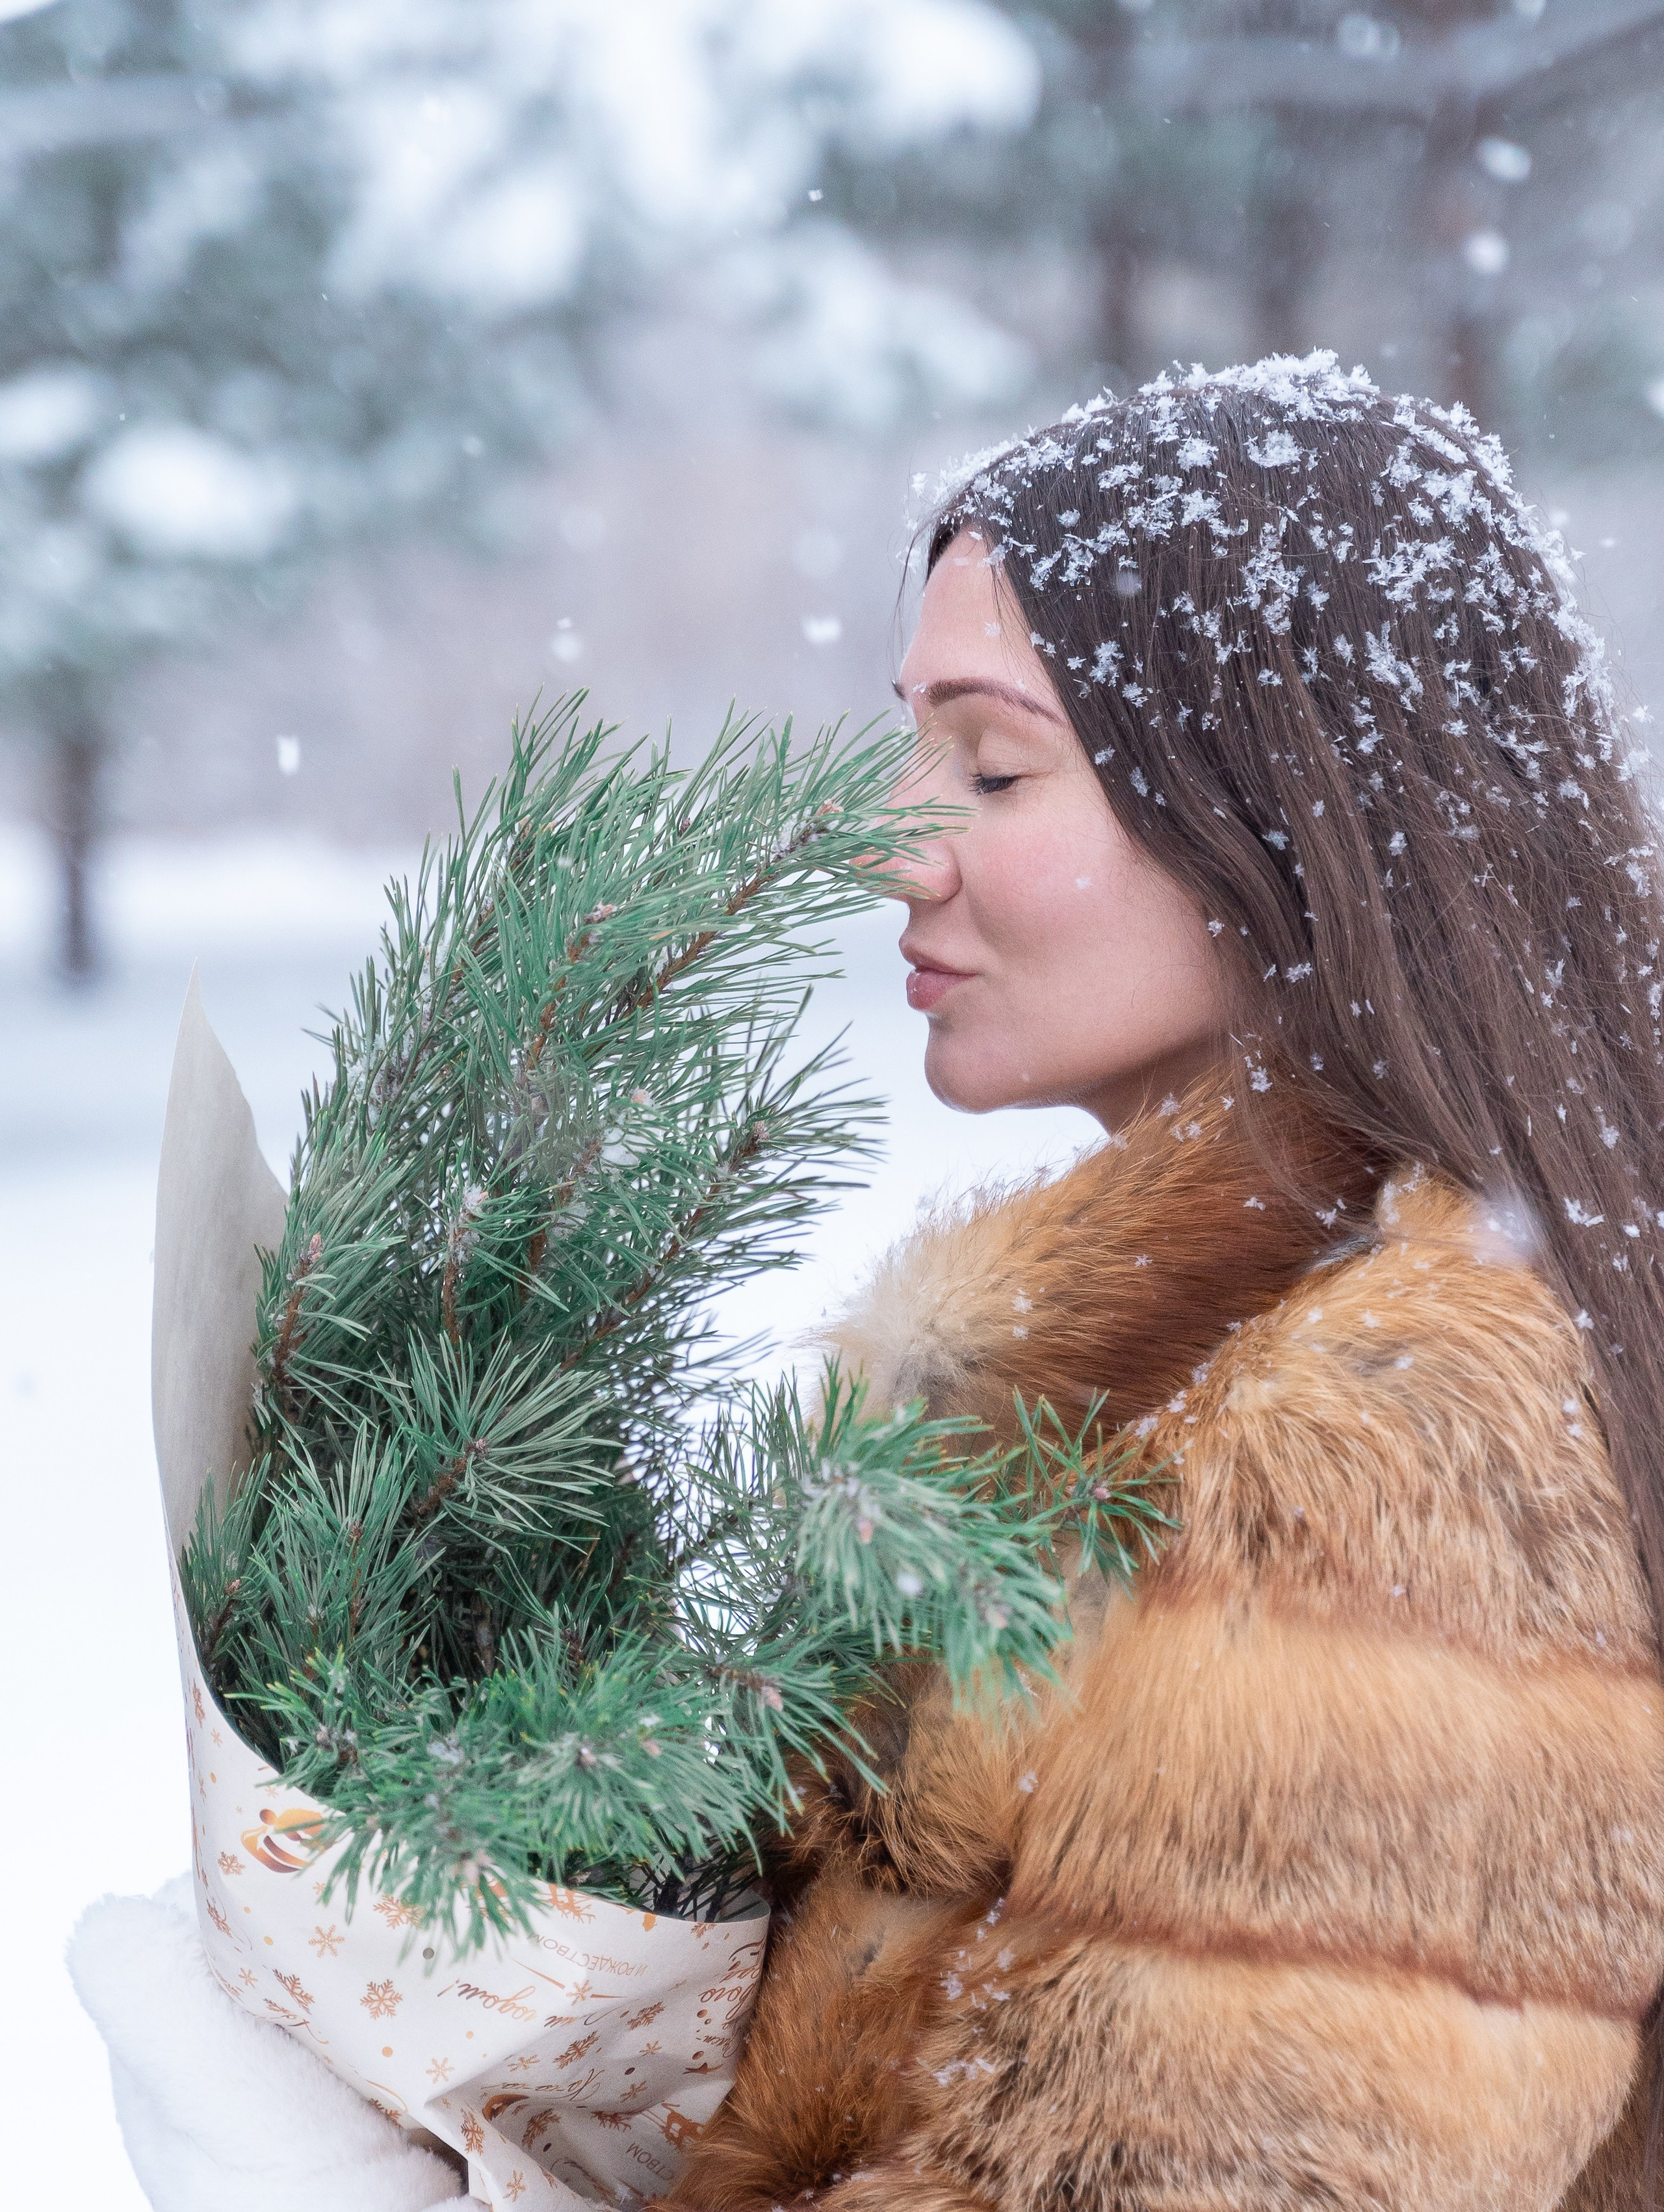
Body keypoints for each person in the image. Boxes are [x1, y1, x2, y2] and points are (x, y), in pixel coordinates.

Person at [76, 352, 1664, 2212]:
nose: (891, 837)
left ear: (1288, 806)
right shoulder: (1144, 1369)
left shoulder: (1395, 1457)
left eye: (994, 763)